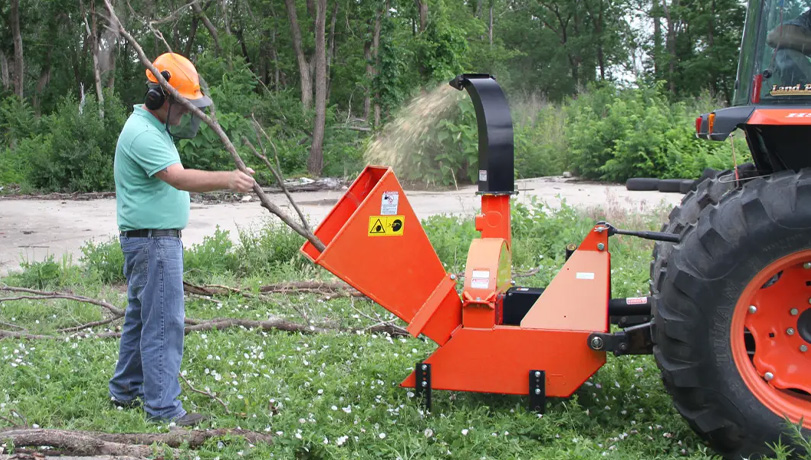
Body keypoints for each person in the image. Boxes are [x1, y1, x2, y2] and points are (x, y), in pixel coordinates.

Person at [108, 52, 255, 426]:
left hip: (150, 241)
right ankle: (163, 409)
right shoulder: (143, 133)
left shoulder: (151, 128)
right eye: (183, 104)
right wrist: (228, 179)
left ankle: (125, 390)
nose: (187, 112)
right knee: (163, 324)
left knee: (141, 320)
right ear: (159, 96)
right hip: (154, 244)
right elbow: (178, 177)